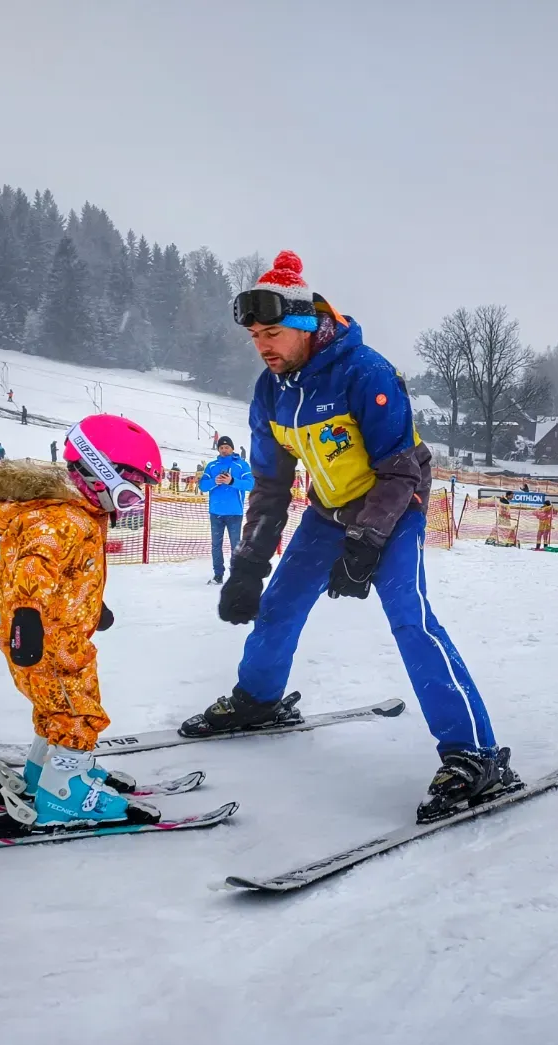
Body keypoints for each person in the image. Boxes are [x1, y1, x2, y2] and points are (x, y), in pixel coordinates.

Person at [191, 251, 517, 823]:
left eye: (271, 332)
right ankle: (257, 701)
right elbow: (270, 484)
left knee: (411, 619)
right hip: (329, 511)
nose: (262, 345)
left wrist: (367, 544)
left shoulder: (365, 371)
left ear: (305, 325)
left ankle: (475, 753)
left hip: (397, 506)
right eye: (253, 336)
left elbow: (399, 470)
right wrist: (247, 562)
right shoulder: (270, 392)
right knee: (278, 608)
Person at [0, 415, 165, 830]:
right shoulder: (64, 519)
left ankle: (44, 773)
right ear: (102, 474)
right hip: (47, 641)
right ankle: (63, 793)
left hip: (55, 636)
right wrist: (27, 618)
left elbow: (68, 573)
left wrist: (93, 605)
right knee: (78, 713)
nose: (133, 500)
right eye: (132, 489)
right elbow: (33, 567)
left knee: (54, 711)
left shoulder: (73, 514)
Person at [199, 435, 255, 584]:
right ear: (218, 449)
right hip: (216, 513)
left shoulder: (241, 465)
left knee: (236, 545)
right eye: (221, 447)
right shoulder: (211, 466)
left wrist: (232, 481)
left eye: (227, 447)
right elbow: (202, 486)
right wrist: (214, 481)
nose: (224, 450)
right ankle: (218, 575)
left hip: (234, 513)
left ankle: (236, 575)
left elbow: (251, 484)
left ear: (232, 448)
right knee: (216, 545)